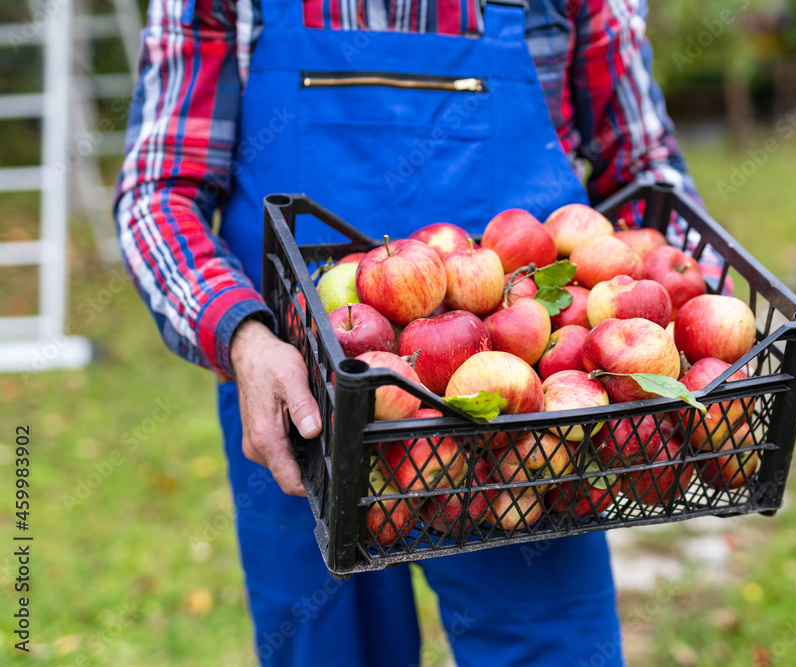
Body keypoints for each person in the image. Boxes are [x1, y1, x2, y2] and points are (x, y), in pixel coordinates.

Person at [115, 0, 701, 664]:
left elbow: (645, 167)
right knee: (328, 650)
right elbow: (158, 190)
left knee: (552, 646)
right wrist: (242, 336)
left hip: (525, 414)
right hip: (301, 402)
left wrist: (694, 314)